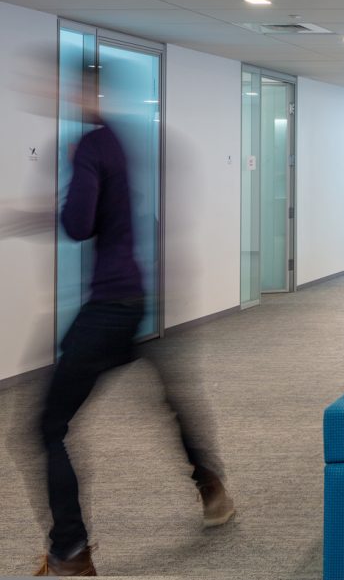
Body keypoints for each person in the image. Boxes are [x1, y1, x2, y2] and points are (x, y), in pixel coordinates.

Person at [38, 102, 234, 576]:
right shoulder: (133, 142)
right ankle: (210, 486)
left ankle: (70, 549)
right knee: (170, 398)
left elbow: (78, 224)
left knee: (48, 426)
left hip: (111, 305)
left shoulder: (91, 145)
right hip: (144, 297)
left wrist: (69, 177)